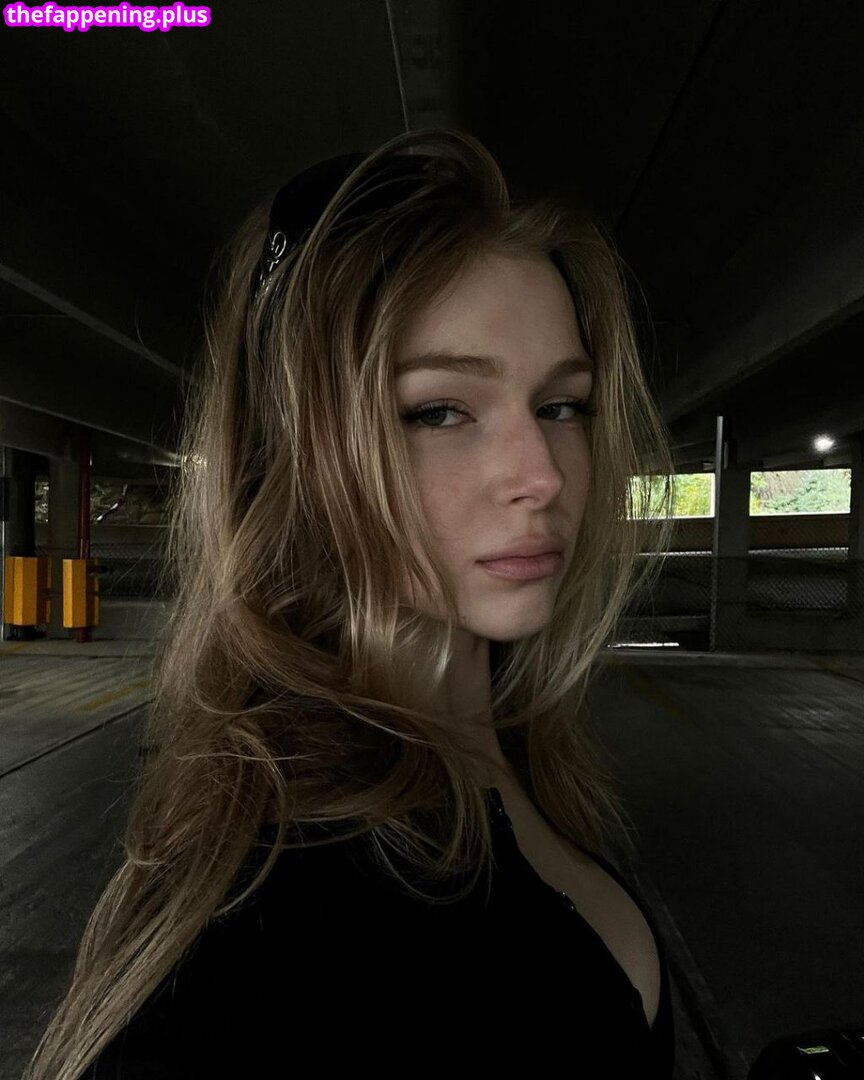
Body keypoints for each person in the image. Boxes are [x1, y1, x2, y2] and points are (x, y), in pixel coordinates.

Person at [24, 127, 677, 1079]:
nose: (541, 475)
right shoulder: (283, 911)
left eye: (561, 405)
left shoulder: (518, 760)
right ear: (296, 453)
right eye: (438, 411)